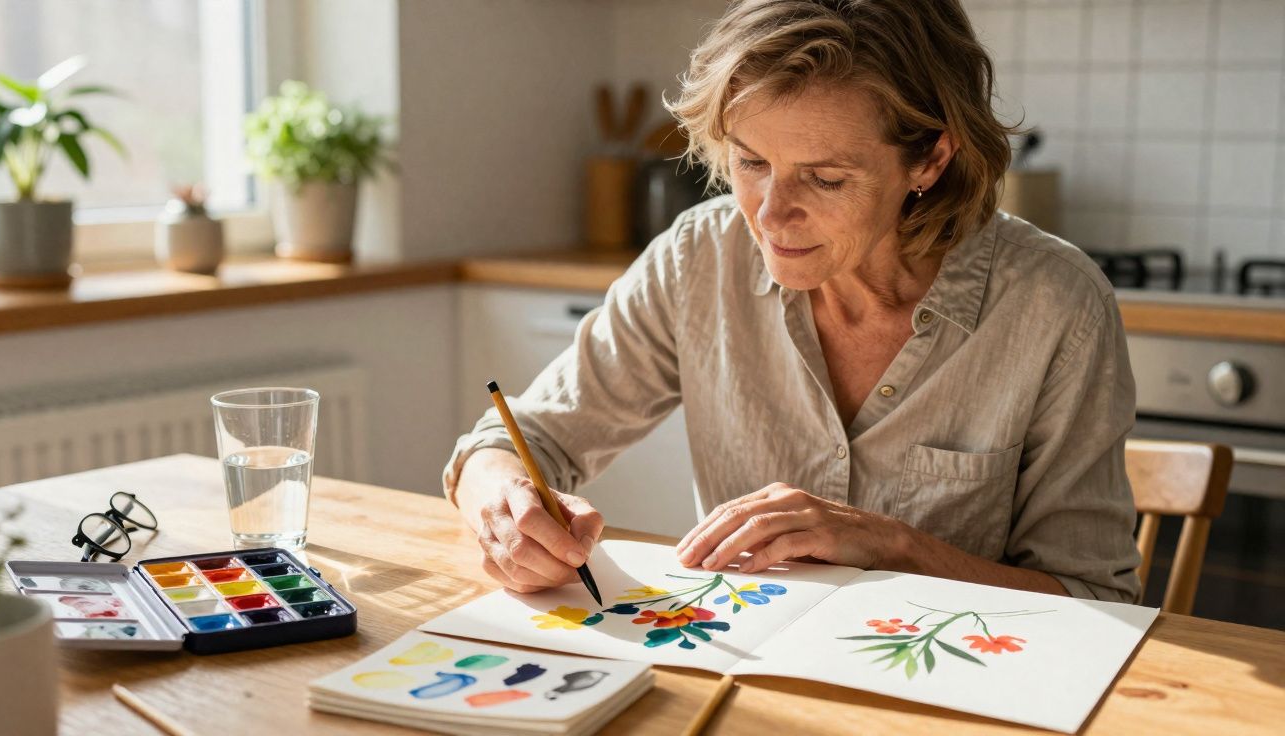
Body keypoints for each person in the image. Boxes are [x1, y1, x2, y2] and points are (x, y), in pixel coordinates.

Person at [443, 0, 1141, 604]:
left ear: (930, 159)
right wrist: (506, 508)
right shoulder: (699, 259)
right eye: (751, 163)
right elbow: (512, 440)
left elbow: (1096, 601)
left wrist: (891, 546)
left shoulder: (1056, 306)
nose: (770, 216)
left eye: (826, 178)